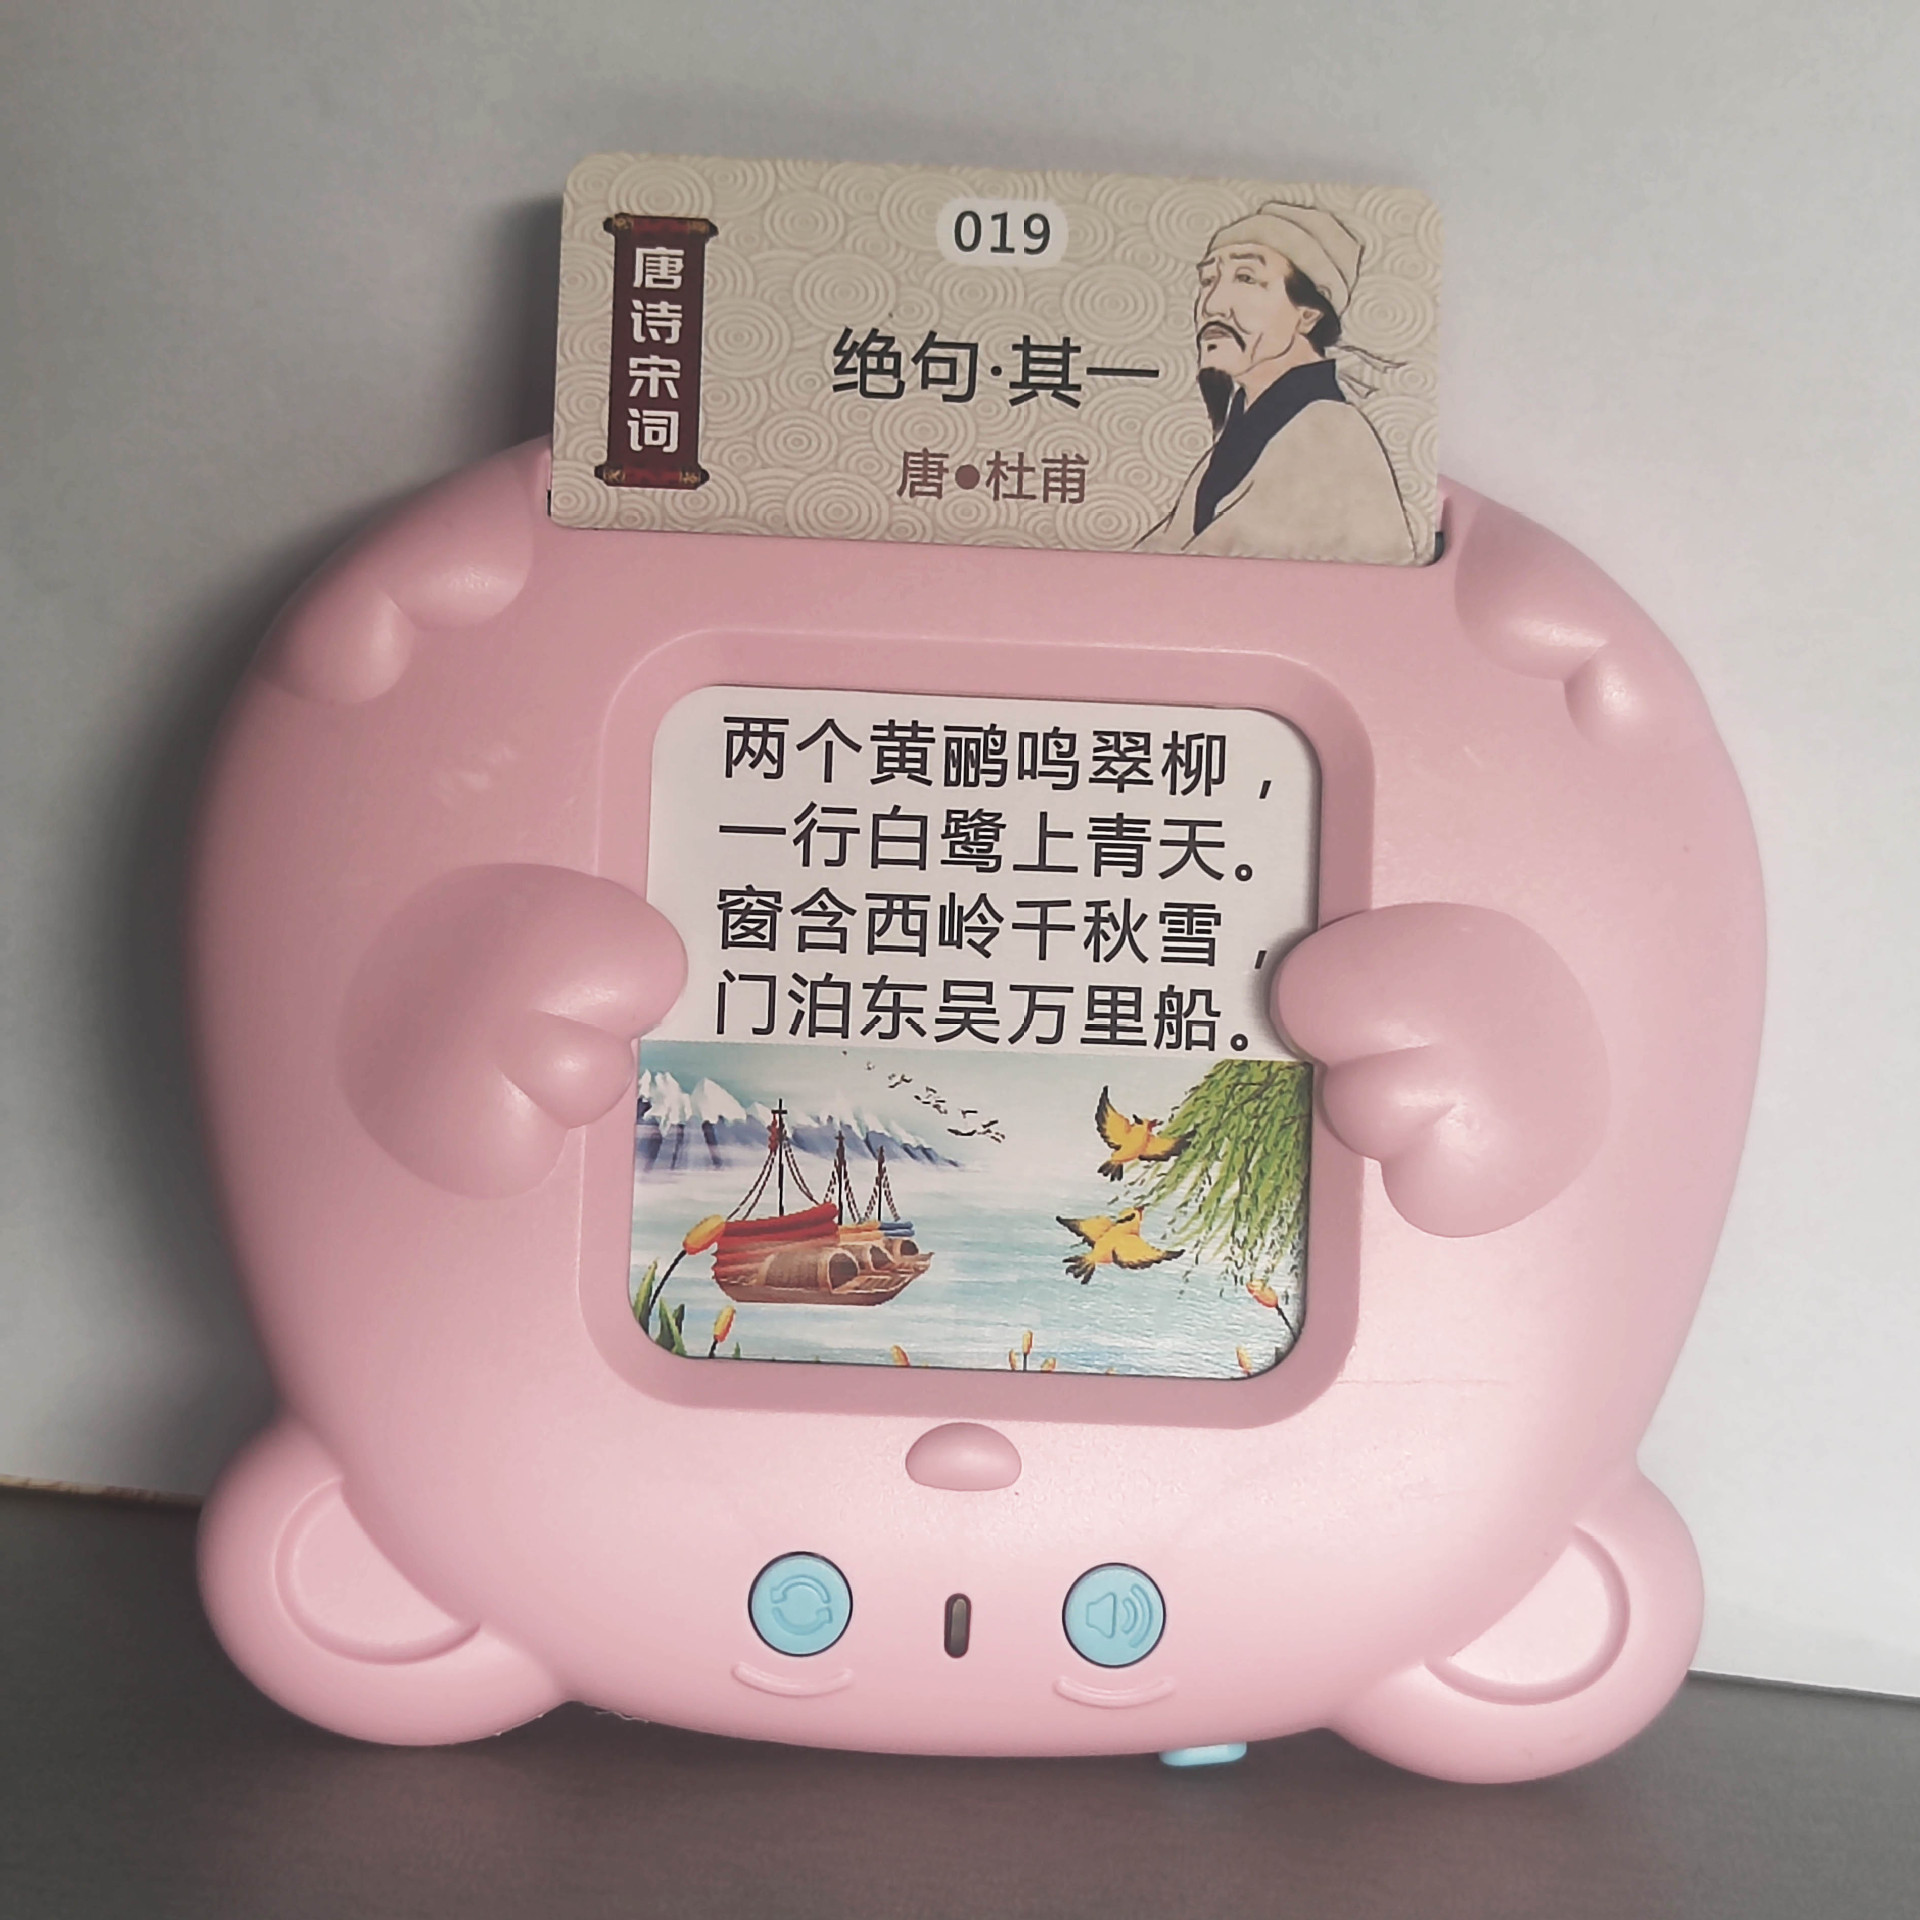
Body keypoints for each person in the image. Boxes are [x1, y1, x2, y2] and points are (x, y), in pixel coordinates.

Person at [1136, 201, 1415, 563]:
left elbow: (1202, 572)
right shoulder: (1243, 427)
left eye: (1246, 278)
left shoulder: (1330, 435)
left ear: (1308, 314)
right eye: (1207, 281)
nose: (1212, 305)